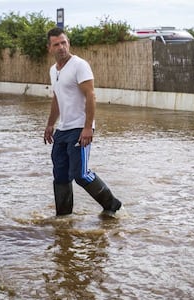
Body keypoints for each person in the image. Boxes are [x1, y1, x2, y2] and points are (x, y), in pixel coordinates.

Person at [43, 27, 122, 216]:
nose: (61, 47)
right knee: (60, 175)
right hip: (63, 129)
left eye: (64, 42)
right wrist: (50, 124)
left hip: (80, 128)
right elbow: (57, 98)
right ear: (50, 48)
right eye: (56, 44)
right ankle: (63, 216)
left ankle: (112, 205)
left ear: (68, 43)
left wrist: (88, 127)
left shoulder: (79, 65)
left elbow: (91, 95)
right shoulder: (53, 70)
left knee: (81, 174)